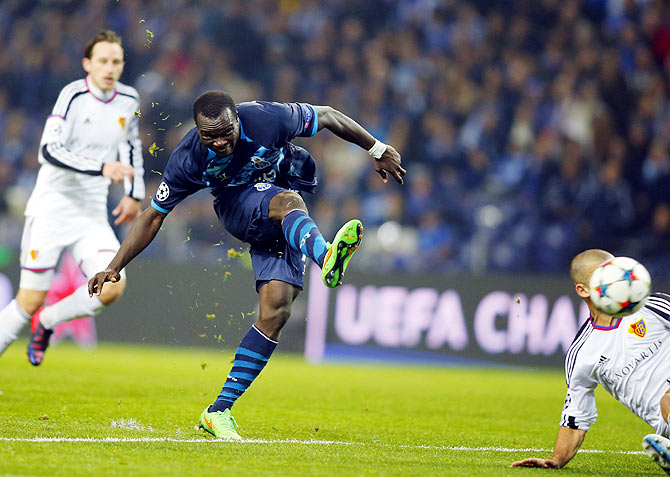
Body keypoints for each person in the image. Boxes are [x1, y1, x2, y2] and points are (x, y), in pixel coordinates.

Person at [88, 90, 405, 439]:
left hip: (283, 209)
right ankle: (326, 255)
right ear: (197, 130)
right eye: (210, 136)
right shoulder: (188, 158)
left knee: (276, 311)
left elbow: (329, 114)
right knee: (288, 201)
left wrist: (377, 149)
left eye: (227, 132)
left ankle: (217, 412)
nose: (220, 142)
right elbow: (152, 217)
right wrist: (114, 265)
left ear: (238, 119)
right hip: (240, 209)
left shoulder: (268, 118)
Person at [0, 30, 144, 365]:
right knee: (29, 300)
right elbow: (48, 150)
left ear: (123, 64)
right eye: (103, 61)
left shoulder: (129, 99)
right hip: (52, 208)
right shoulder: (73, 95)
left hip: (91, 214)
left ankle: (50, 321)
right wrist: (102, 167)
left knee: (113, 284)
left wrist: (134, 194)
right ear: (87, 64)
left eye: (116, 61)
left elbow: (131, 145)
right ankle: (39, 316)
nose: (110, 68)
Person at [511, 249, 670, 473]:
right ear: (582, 289)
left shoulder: (652, 307)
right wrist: (556, 460)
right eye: (604, 276)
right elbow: (576, 417)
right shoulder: (582, 353)